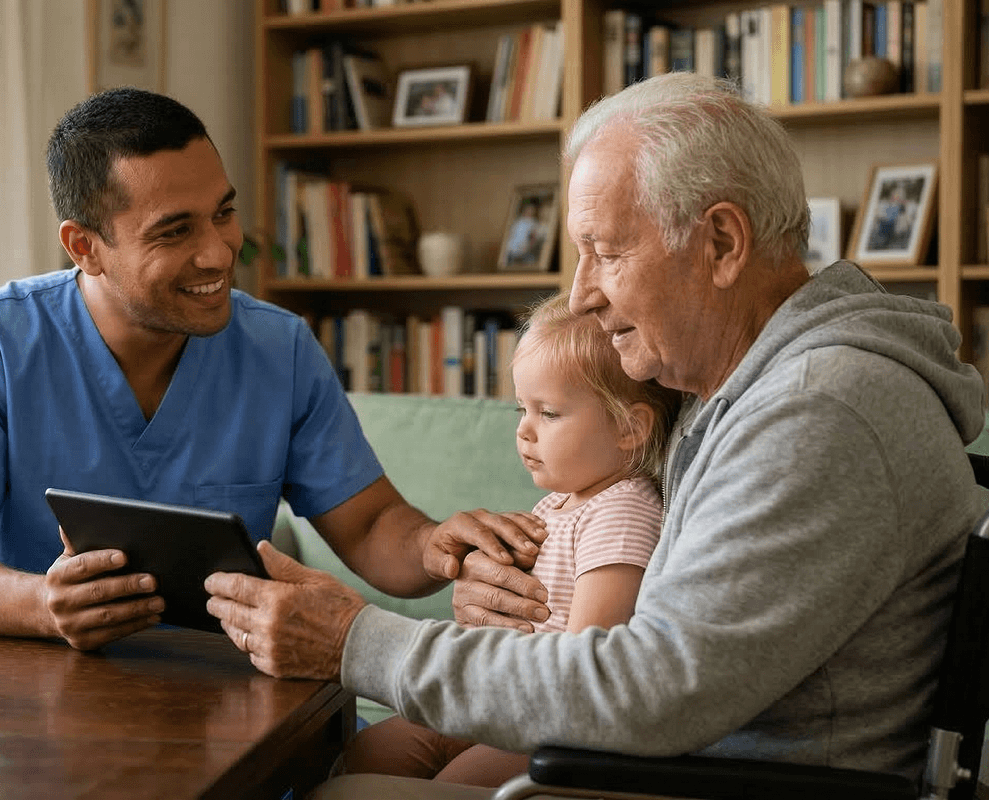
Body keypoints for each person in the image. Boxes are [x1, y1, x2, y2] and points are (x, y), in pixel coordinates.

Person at [205, 72, 987, 797]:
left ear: (721, 243)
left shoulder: (821, 412)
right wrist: (507, 604)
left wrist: (356, 641)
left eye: (605, 253)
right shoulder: (729, 396)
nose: (578, 296)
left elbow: (651, 690)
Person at [0, 87, 544, 652]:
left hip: (227, 694)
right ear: (85, 247)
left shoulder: (278, 348)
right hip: (34, 702)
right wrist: (41, 604)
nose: (220, 253)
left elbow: (370, 527)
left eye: (223, 214)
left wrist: (436, 545)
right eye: (174, 232)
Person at [338, 292, 683, 787]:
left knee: (451, 784)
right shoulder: (562, 503)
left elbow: (589, 661)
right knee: (369, 752)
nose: (524, 431)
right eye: (522, 409)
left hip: (556, 725)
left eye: (549, 413)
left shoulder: (622, 511)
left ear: (630, 428)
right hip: (513, 700)